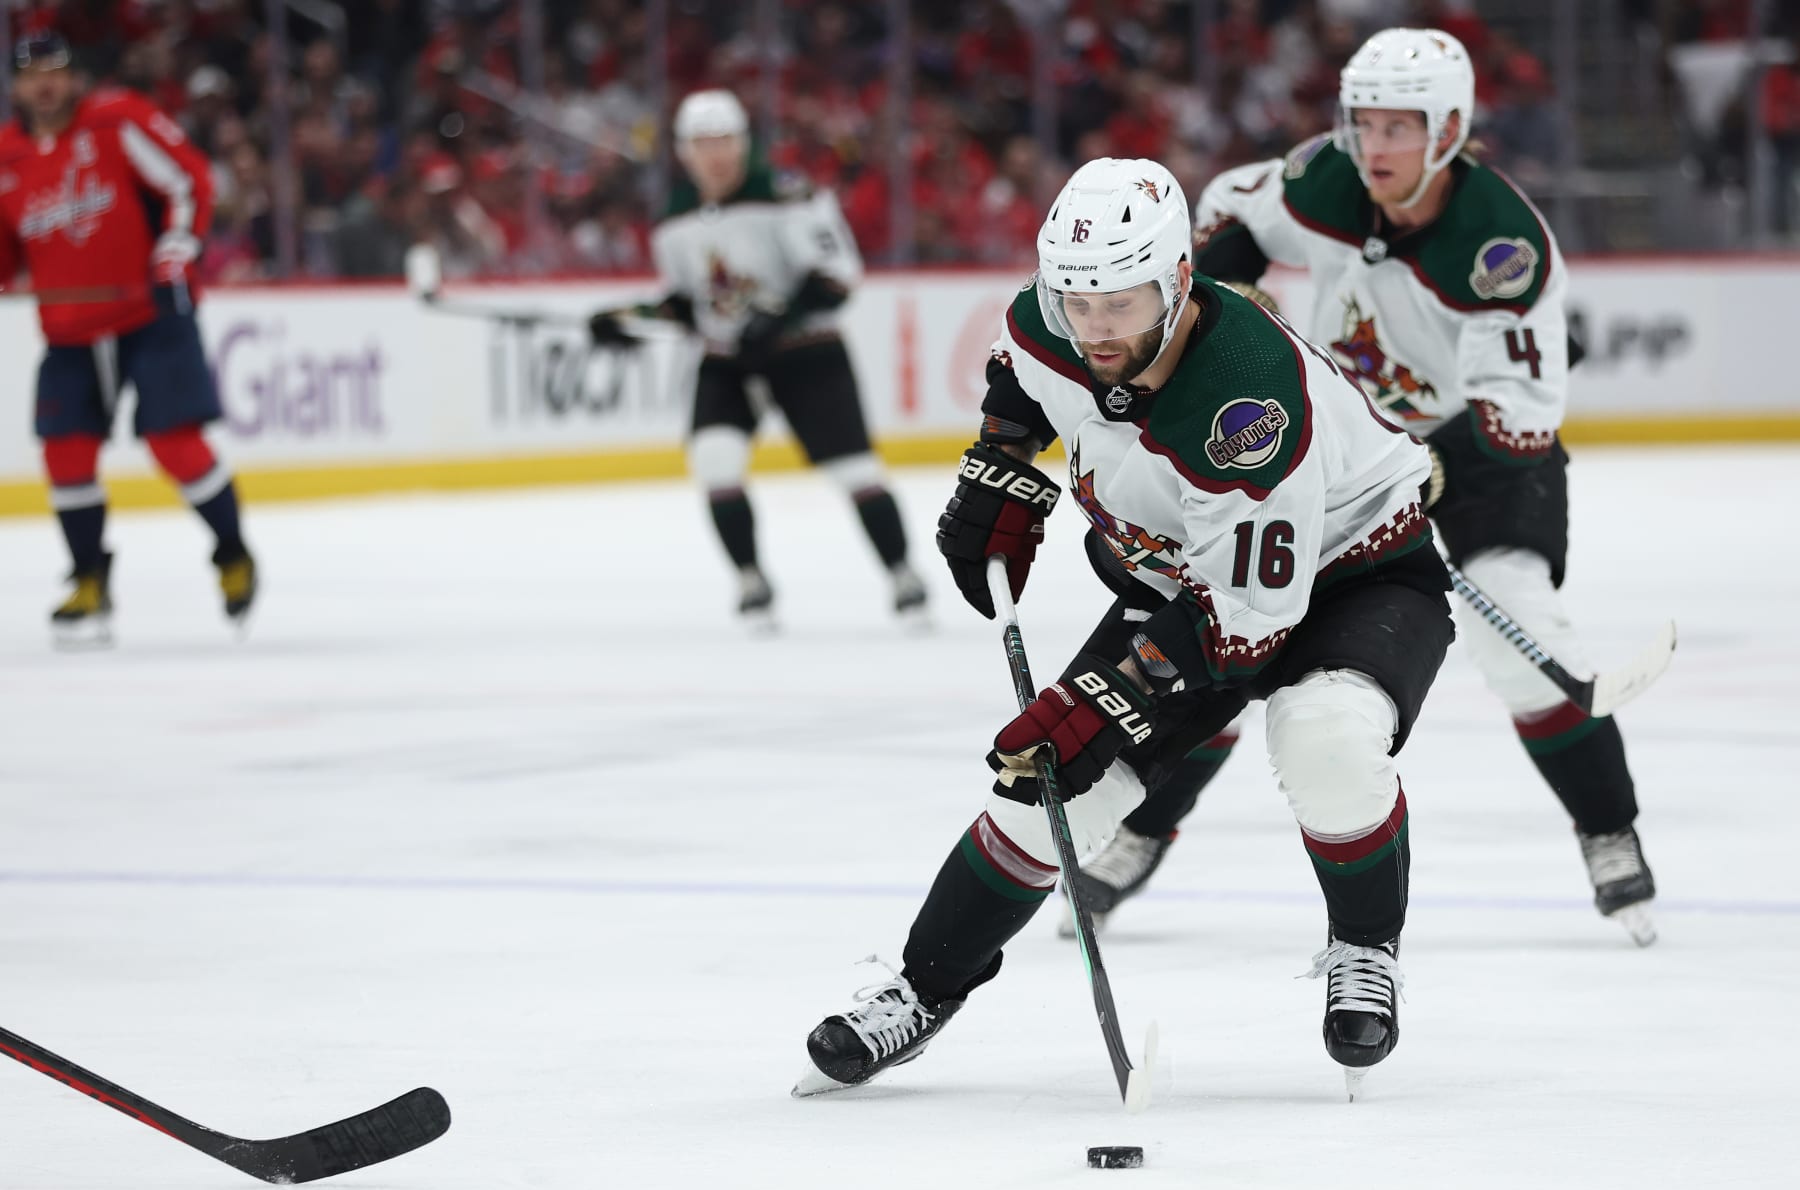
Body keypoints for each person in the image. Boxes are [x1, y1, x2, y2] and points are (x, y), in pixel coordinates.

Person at [795, 156, 1454, 1099]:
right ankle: (921, 990)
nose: (1097, 329)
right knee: (1048, 798)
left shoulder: (1244, 401)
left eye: (1124, 302)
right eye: (1079, 300)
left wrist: (1107, 699)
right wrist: (1003, 459)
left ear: (1179, 283)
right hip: (1192, 582)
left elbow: (1248, 628)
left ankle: (1364, 947)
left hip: (1356, 577)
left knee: (1326, 740)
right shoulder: (1048, 318)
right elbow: (1022, 369)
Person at [1067, 27, 1658, 946]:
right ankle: (1143, 830)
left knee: (1518, 630)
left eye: (1399, 129)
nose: (1373, 149)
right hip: (1332, 448)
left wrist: (1435, 468)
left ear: (1451, 129)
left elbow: (1521, 423)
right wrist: (1214, 320)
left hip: (1473, 454)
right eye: (1362, 124)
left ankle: (1608, 828)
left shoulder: (1501, 246)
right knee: (1231, 624)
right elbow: (1223, 214)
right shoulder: (1322, 179)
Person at [587, 89, 926, 629]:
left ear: (744, 144)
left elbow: (837, 279)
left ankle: (902, 572)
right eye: (703, 143)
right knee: (714, 461)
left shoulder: (787, 194)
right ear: (684, 151)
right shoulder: (673, 219)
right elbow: (691, 303)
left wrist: (780, 318)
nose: (715, 154)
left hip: (805, 354)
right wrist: (630, 320)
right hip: (729, 360)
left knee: (854, 472)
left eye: (724, 140)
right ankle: (751, 578)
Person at [0, 32, 255, 647]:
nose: (44, 85)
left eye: (55, 71)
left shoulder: (117, 120)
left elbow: (189, 180)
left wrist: (175, 249)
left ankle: (232, 552)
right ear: (14, 87)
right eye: (31, 74)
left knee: (175, 444)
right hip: (67, 328)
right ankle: (88, 578)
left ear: (75, 77)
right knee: (65, 453)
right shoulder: (5, 155)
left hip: (149, 313)